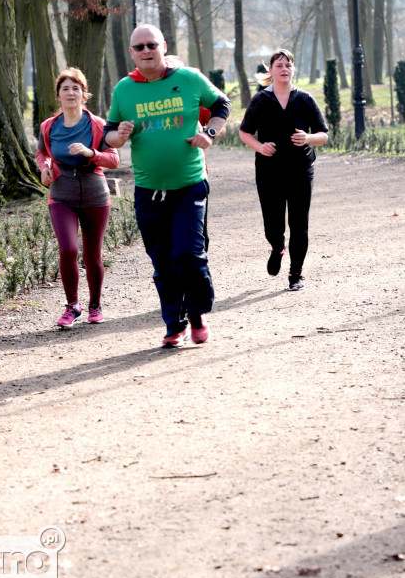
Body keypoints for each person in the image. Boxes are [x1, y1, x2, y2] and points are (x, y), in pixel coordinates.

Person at [104, 23, 231, 347]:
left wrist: (210, 134)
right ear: (132, 54)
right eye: (140, 47)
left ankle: (197, 314)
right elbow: (110, 131)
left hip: (188, 185)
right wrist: (117, 137)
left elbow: (221, 105)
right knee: (163, 263)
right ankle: (174, 324)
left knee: (188, 254)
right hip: (148, 191)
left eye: (151, 45)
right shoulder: (123, 90)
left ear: (163, 46)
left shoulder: (188, 79)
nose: (146, 51)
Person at [36, 67, 120, 328]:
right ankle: (72, 306)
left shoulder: (98, 124)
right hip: (61, 193)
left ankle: (95, 305)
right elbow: (42, 153)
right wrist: (44, 167)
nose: (71, 93)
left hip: (94, 192)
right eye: (65, 89)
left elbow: (114, 160)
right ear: (58, 96)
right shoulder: (48, 126)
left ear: (84, 95)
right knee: (68, 249)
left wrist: (90, 152)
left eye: (76, 88)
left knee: (92, 254)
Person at [239, 48, 328, 290]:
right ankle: (277, 246)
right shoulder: (260, 101)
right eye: (278, 65)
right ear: (270, 70)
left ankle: (296, 273)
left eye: (288, 65)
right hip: (269, 171)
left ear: (293, 69)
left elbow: (324, 134)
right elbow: (244, 132)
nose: (284, 69)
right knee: (273, 224)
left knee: (299, 224)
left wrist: (309, 138)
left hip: (301, 169)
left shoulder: (305, 99)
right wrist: (259, 146)